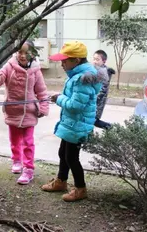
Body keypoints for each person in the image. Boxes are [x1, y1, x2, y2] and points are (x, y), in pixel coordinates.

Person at [40, 41, 105, 202]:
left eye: (65, 60)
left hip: (78, 124)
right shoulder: (78, 75)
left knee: (71, 158)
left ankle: (80, 188)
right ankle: (61, 181)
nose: (61, 64)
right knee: (63, 153)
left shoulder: (82, 79)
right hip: (72, 123)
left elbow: (75, 106)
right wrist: (60, 97)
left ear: (76, 61)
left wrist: (59, 98)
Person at [0, 41, 49, 185]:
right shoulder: (9, 66)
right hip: (12, 110)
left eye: (26, 52)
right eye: (20, 52)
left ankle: (28, 169)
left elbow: (42, 91)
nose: (22, 55)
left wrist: (43, 107)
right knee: (15, 140)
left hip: (29, 111)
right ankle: (16, 160)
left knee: (28, 142)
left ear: (33, 54)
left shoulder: (36, 70)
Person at [92, 50, 116, 130]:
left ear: (104, 61)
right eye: (94, 59)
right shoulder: (96, 70)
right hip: (94, 101)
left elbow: (102, 90)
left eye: (97, 59)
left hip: (97, 103)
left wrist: (92, 99)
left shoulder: (104, 72)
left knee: (92, 120)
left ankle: (111, 127)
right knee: (92, 120)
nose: (95, 61)